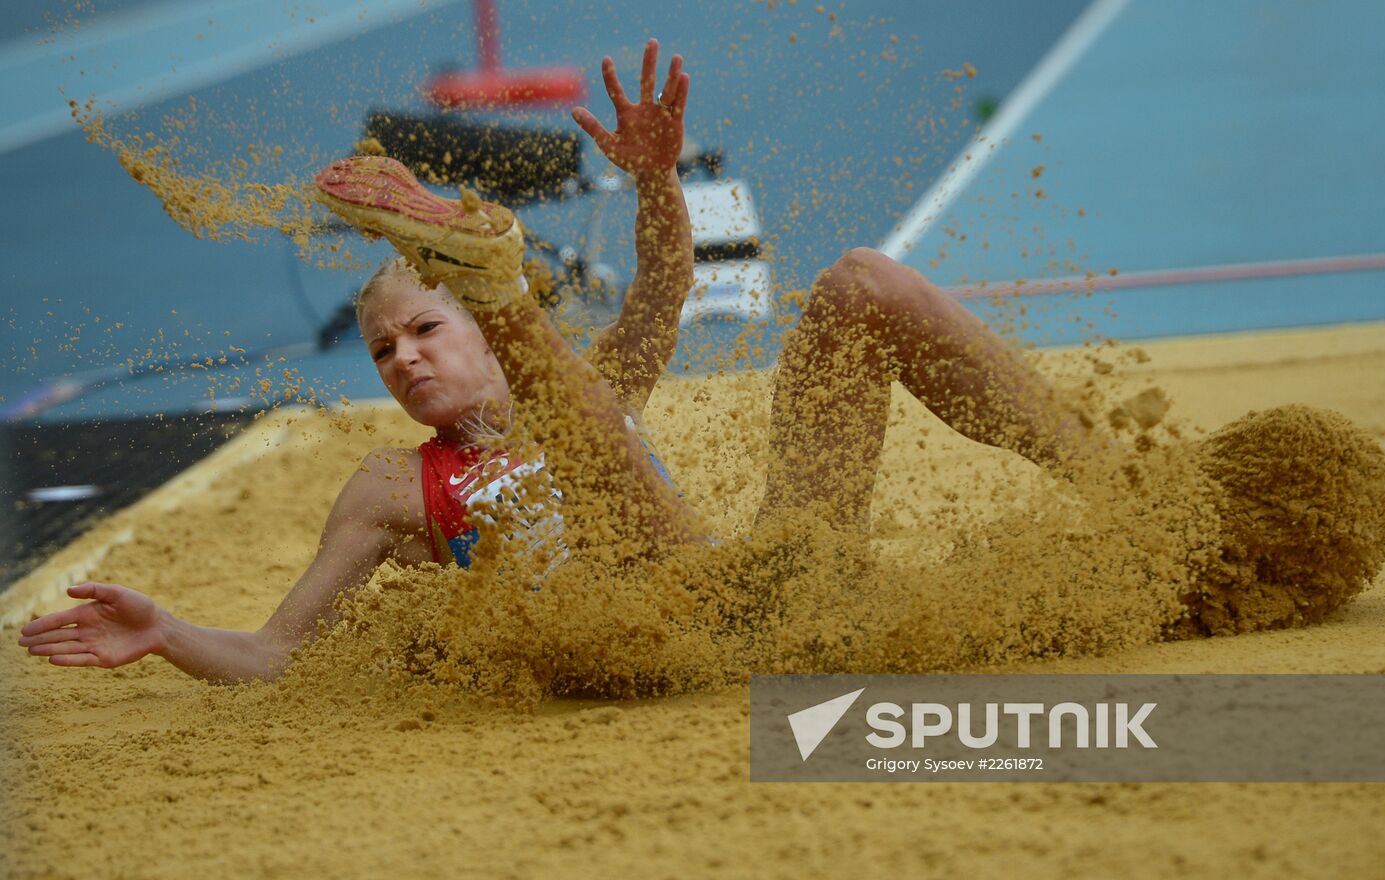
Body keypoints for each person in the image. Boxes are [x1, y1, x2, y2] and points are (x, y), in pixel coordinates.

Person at [17, 39, 1096, 683]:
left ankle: (1127, 492)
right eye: (385, 349)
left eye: (428, 329)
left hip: (759, 596)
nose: (401, 360)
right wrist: (165, 632)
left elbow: (666, 283)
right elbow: (276, 651)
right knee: (590, 439)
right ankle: (487, 272)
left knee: (861, 279)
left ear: (489, 335)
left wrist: (656, 183)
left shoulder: (597, 382)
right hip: (650, 647)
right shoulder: (391, 490)